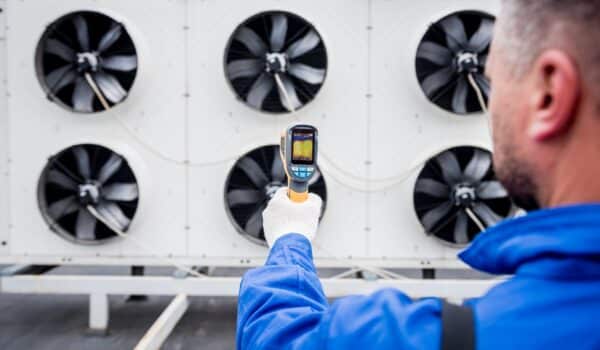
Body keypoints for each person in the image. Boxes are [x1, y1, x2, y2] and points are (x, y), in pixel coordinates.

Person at [237, 0, 600, 348]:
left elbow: (279, 340)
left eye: (495, 84)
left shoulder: (407, 337)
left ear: (549, 96)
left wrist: (290, 240)